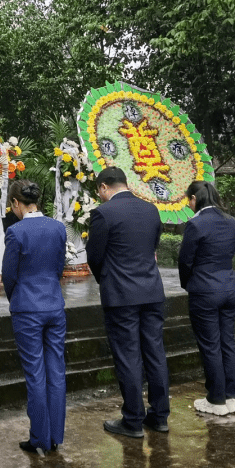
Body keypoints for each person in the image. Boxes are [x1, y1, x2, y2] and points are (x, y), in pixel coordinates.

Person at [85, 166, 170, 438]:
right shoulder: (151, 210)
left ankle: (133, 419)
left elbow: (94, 256)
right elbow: (153, 247)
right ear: (126, 183)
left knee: (128, 356)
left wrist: (106, 280)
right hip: (152, 291)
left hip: (121, 296)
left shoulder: (103, 213)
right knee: (155, 353)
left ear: (104, 188)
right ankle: (159, 416)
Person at [2, 179, 68, 455]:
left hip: (27, 309)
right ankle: (55, 436)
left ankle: (38, 436)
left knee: (35, 374)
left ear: (16, 203)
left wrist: (16, 298)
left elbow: (9, 275)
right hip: (54, 305)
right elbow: (58, 266)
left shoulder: (16, 232)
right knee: (56, 371)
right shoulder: (58, 228)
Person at [178, 181, 235, 416]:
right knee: (228, 343)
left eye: (188, 200)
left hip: (204, 291)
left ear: (194, 199)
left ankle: (215, 400)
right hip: (229, 288)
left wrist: (188, 284)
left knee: (210, 345)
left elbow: (185, 261)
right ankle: (230, 396)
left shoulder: (196, 224)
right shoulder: (231, 221)